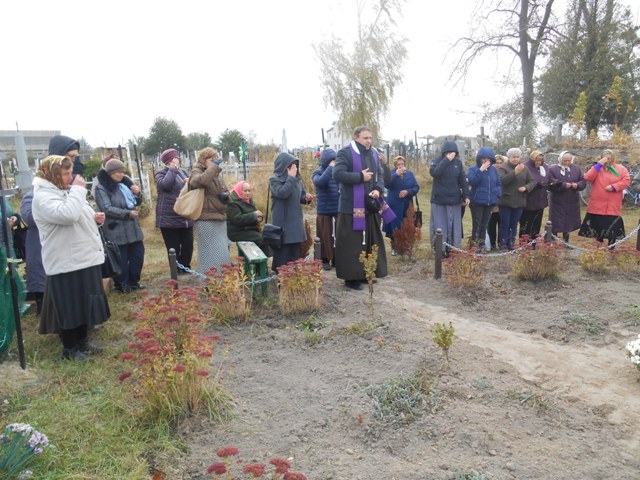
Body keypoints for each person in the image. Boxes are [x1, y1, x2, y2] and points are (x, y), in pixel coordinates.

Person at [31, 155, 109, 361]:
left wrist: (94, 219)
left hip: (83, 257)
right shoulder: (43, 196)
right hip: (65, 260)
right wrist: (78, 189)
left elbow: (77, 214)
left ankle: (83, 340)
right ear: (53, 174)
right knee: (69, 305)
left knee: (84, 302)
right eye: (65, 173)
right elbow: (66, 216)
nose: (70, 177)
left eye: (70, 172)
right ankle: (70, 348)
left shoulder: (63, 191)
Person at [333, 126, 388, 290]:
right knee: (353, 243)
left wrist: (378, 189)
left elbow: (380, 175)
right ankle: (351, 278)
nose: (369, 141)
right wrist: (360, 177)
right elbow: (337, 174)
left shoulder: (373, 154)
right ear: (356, 137)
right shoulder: (345, 153)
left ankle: (365, 273)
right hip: (351, 207)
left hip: (369, 206)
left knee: (370, 241)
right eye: (365, 138)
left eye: (370, 138)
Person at [94, 159, 145, 293]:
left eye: (123, 171)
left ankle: (134, 282)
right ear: (111, 173)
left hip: (133, 229)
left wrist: (137, 193)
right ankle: (122, 285)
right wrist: (127, 214)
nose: (122, 174)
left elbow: (137, 202)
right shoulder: (101, 188)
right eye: (118, 172)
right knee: (120, 259)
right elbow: (107, 208)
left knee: (138, 255)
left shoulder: (125, 184)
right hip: (115, 229)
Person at [189, 147, 231, 275]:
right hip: (206, 219)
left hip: (219, 218)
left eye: (214, 157)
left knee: (222, 253)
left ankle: (222, 281)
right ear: (203, 159)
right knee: (210, 254)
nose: (213, 160)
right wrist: (213, 168)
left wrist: (226, 196)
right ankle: (209, 283)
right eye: (209, 158)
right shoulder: (197, 170)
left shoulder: (216, 175)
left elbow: (223, 189)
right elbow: (199, 181)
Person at [269, 152, 313, 273]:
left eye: (295, 165)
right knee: (283, 253)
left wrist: (306, 198)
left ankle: (294, 279)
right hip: (282, 223)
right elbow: (282, 193)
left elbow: (300, 196)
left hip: (295, 222)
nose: (295, 168)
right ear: (283, 166)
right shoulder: (274, 179)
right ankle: (281, 278)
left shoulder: (297, 180)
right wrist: (291, 178)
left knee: (295, 252)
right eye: (291, 165)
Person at [578, 149, 631, 246]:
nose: (608, 160)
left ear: (613, 158)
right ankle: (599, 245)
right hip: (597, 204)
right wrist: (599, 164)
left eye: (610, 158)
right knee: (598, 226)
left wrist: (614, 187)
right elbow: (588, 177)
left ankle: (611, 246)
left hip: (612, 204)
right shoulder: (597, 168)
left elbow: (626, 181)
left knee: (612, 227)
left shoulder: (621, 169)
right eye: (606, 158)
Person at [155, 148, 194, 274]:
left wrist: (190, 182)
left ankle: (186, 268)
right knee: (173, 247)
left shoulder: (183, 172)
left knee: (188, 245)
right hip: (169, 219)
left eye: (177, 157)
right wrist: (172, 170)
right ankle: (176, 271)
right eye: (174, 158)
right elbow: (165, 185)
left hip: (185, 217)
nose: (177, 159)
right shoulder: (160, 174)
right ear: (169, 160)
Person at [429, 141, 470, 251]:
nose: (451, 154)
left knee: (453, 227)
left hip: (454, 200)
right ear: (444, 153)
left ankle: (453, 249)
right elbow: (435, 173)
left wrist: (466, 195)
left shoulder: (458, 163)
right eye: (448, 152)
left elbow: (463, 181)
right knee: (440, 226)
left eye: (453, 152)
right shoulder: (436, 161)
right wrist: (446, 160)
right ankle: (439, 249)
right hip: (439, 200)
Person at [497, 148, 536, 251]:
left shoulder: (525, 168)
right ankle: (503, 244)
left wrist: (526, 188)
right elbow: (502, 181)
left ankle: (511, 244)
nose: (515, 159)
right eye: (513, 157)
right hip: (506, 201)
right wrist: (515, 172)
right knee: (505, 224)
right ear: (509, 157)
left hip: (519, 201)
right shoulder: (503, 168)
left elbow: (532, 181)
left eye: (517, 157)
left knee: (514, 225)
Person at [383, 155, 420, 255]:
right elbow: (386, 184)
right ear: (395, 165)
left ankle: (405, 247)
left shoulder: (410, 174)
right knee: (394, 226)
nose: (401, 166)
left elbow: (416, 187)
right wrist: (396, 174)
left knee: (407, 225)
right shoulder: (391, 173)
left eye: (402, 164)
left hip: (407, 204)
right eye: (398, 165)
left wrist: (408, 192)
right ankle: (394, 247)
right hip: (394, 204)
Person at [467, 146, 501, 252]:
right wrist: (480, 170)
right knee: (477, 223)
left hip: (490, 202)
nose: (485, 160)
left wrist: (497, 194)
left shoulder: (493, 170)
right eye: (483, 158)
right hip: (477, 201)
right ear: (479, 159)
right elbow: (472, 181)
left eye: (488, 158)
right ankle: (475, 245)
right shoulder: (473, 169)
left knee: (484, 224)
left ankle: (481, 245)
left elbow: (498, 183)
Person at [547, 151, 586, 242]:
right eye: (565, 160)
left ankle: (566, 241)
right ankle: (552, 240)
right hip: (558, 200)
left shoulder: (576, 169)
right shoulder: (553, 169)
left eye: (569, 160)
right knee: (555, 221)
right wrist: (564, 185)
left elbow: (583, 181)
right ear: (560, 159)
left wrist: (577, 185)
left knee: (568, 221)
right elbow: (550, 182)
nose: (567, 162)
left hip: (572, 200)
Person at [312, 148, 340, 269]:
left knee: (336, 236)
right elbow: (321, 183)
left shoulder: (337, 172)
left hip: (337, 209)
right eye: (331, 160)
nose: (333, 162)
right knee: (324, 236)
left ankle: (335, 258)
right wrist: (329, 168)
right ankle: (323, 259)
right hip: (324, 210)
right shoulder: (317, 172)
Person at [226, 180, 270, 257]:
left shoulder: (248, 200)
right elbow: (237, 219)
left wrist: (258, 218)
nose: (247, 193)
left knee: (267, 237)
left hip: (248, 228)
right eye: (245, 191)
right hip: (237, 231)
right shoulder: (232, 203)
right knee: (260, 239)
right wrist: (254, 215)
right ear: (239, 190)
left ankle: (261, 263)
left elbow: (254, 213)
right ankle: (261, 263)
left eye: (249, 191)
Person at [20, 192, 46, 314]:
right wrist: (51, 212)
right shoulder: (31, 196)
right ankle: (41, 307)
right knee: (39, 274)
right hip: (38, 241)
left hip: (57, 242)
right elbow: (29, 217)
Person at [519, 150, 550, 239]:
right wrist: (534, 184)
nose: (538, 162)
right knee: (526, 223)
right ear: (532, 159)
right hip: (528, 200)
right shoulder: (525, 167)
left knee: (537, 223)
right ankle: (524, 243)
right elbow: (521, 181)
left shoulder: (544, 167)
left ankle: (534, 242)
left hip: (540, 199)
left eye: (540, 161)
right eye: (536, 161)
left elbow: (548, 178)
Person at [486, 154, 505, 249]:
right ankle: (492, 244)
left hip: (503, 203)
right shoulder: (490, 173)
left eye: (501, 163)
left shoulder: (504, 173)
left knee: (502, 225)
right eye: (497, 163)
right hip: (492, 204)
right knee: (491, 225)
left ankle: (501, 242)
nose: (499, 165)